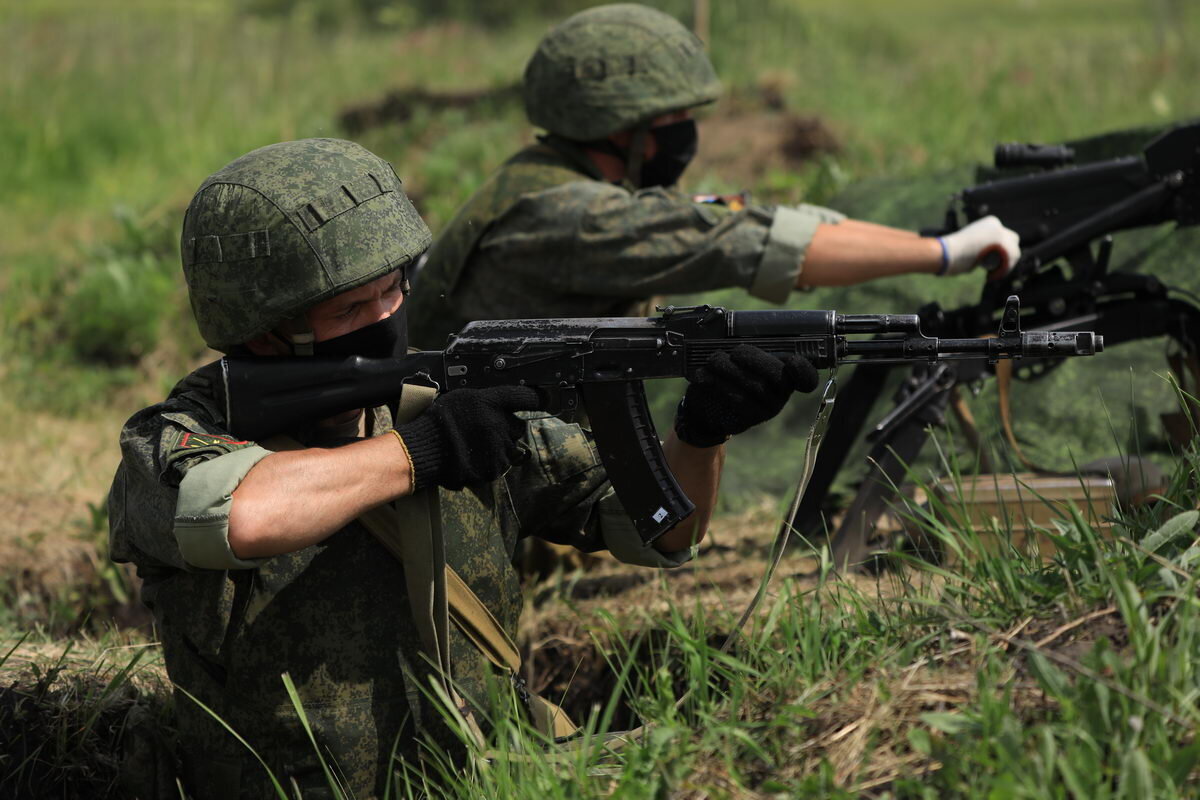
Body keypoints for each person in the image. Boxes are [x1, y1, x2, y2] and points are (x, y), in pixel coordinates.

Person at [107, 138, 816, 798]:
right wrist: (421, 453)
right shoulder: (176, 439)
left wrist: (700, 434)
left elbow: (657, 532)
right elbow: (242, 513)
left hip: (493, 778)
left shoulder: (443, 403)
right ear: (264, 329)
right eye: (354, 305)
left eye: (395, 289)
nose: (388, 315)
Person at [407, 2, 1021, 350]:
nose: (686, 130)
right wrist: (945, 253)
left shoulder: (550, 179)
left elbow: (749, 220)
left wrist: (922, 244)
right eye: (671, 115)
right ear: (622, 125)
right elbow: (754, 245)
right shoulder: (578, 217)